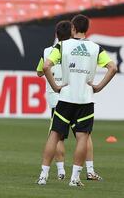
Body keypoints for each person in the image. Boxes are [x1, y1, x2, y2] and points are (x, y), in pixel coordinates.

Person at [37, 14, 117, 187]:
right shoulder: (96, 48)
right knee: (83, 138)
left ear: (73, 28)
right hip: (85, 99)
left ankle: (43, 176)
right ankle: (75, 178)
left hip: (65, 98)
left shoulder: (62, 45)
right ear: (87, 29)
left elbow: (45, 66)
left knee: (54, 135)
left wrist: (56, 86)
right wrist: (99, 86)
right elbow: (113, 67)